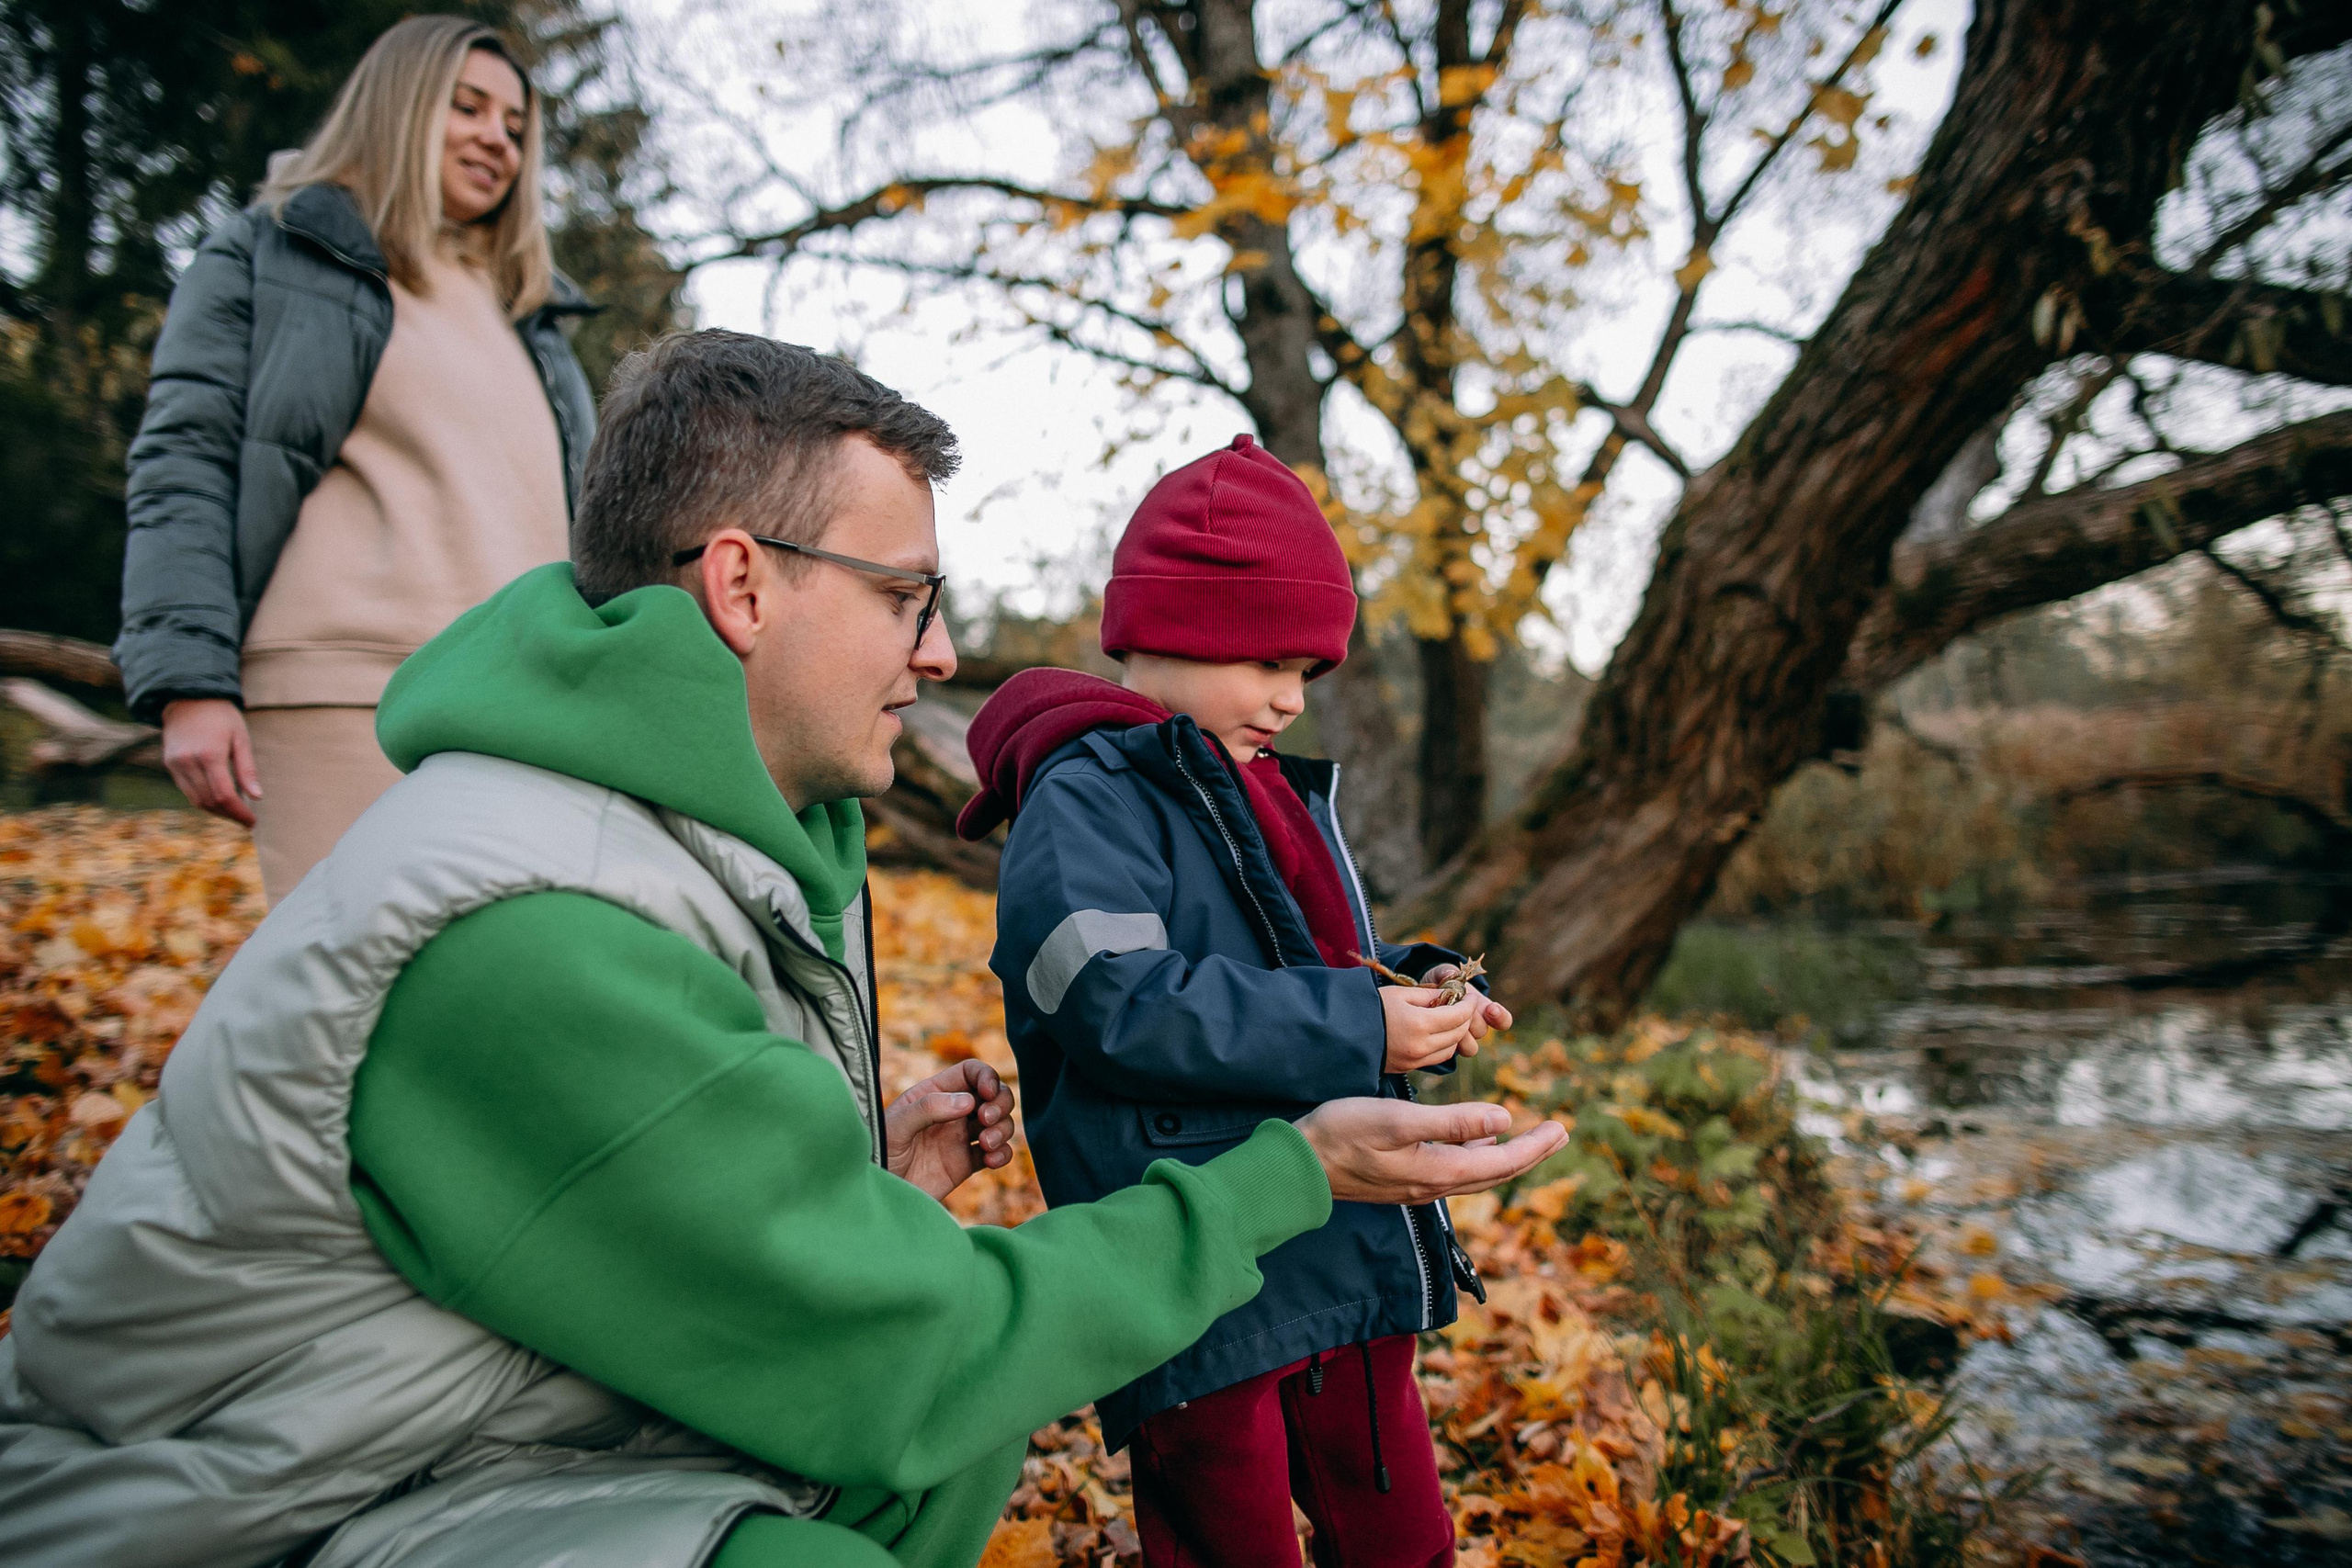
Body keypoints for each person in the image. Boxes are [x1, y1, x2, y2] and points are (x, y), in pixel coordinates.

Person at [0, 331, 1566, 1568]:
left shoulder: (679, 835)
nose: (940, 653)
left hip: (465, 1452)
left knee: (946, 1420)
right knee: (942, 1392)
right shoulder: (537, 930)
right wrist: (1296, 1170)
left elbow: (601, 1206)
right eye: (906, 597)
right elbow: (914, 1347)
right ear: (744, 583)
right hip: (245, 1520)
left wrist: (860, 1185)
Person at [956, 434, 1519, 1568]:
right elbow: (1112, 1000)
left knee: (1400, 1528)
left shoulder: (1254, 787)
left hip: (1337, 1235)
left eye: (1306, 672)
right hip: (1190, 1254)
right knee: (1230, 1526)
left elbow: (1296, 958)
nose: (1290, 699)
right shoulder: (1086, 797)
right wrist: (1356, 1023)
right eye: (1268, 661)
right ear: (1173, 627)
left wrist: (1406, 985)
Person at [115, 15, 598, 903]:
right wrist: (190, 683)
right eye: (467, 107)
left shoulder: (532, 312)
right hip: (343, 691)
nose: (498, 138)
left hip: (527, 703)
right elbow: (186, 460)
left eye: (515, 126)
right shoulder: (271, 250)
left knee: (513, 978)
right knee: (356, 977)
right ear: (397, 106)